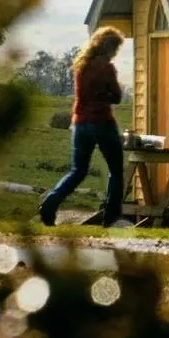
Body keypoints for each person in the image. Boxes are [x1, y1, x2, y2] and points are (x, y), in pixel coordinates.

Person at [38, 26, 126, 226]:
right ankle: (111, 217)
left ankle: (51, 202)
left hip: (80, 123)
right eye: (116, 48)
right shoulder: (106, 68)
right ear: (110, 47)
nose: (115, 53)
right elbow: (118, 97)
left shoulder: (81, 65)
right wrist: (107, 95)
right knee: (116, 170)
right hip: (102, 121)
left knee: (78, 170)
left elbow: (83, 94)